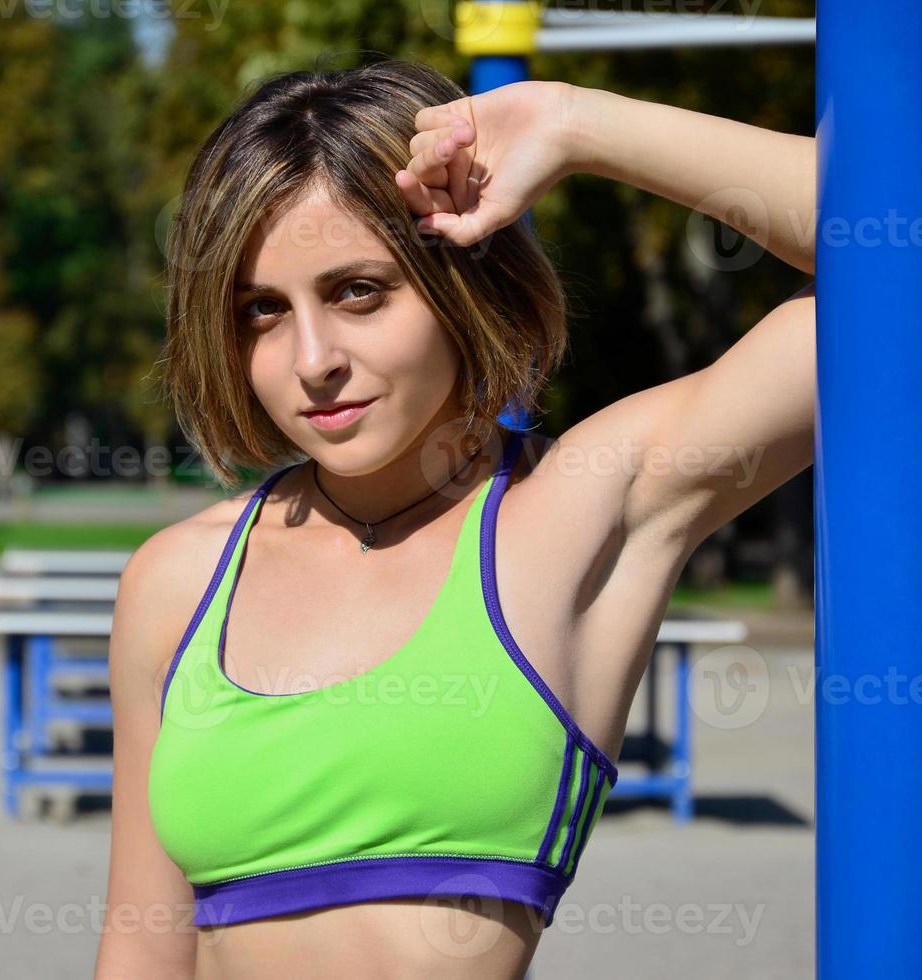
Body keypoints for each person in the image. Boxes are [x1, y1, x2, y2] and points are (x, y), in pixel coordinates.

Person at [94, 57, 815, 979]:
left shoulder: (575, 516)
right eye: (262, 312)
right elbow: (141, 952)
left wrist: (576, 124)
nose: (313, 359)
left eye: (359, 291)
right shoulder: (177, 581)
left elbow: (909, 248)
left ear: (457, 285)